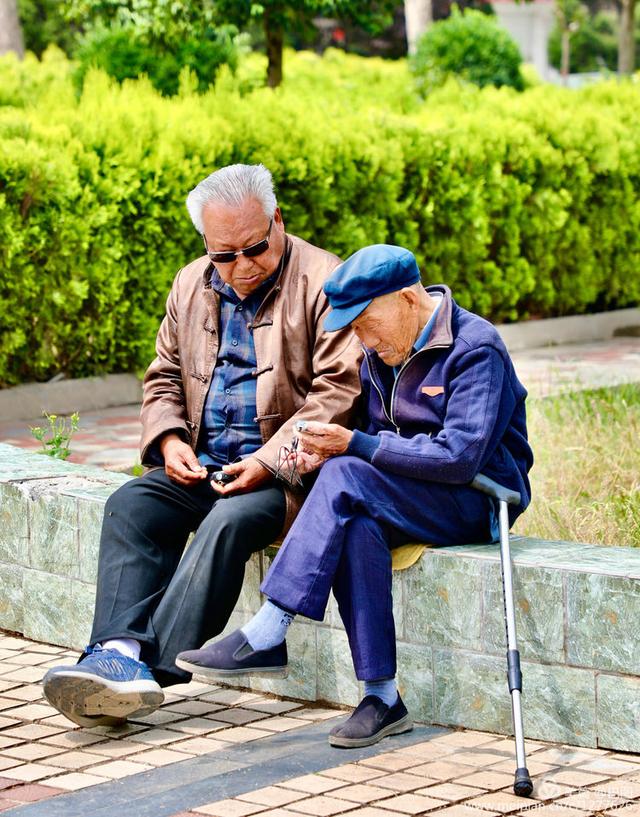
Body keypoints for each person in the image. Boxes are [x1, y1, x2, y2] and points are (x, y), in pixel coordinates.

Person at [176, 243, 534, 748]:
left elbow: (460, 456)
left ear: (407, 298)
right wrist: (318, 457)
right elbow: (373, 441)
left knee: (346, 474)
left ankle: (270, 630)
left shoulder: (476, 347)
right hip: (410, 493)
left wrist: (353, 447)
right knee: (354, 520)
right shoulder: (379, 352)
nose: (361, 338)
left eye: (366, 322)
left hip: (477, 497)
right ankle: (382, 696)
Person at [42, 164, 362, 727]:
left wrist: (266, 463)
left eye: (254, 248)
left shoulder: (324, 281)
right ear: (205, 245)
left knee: (227, 524)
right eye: (223, 254)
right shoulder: (190, 282)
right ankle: (118, 653)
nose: (240, 266)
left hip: (288, 478)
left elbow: (337, 392)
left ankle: (143, 669)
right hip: (201, 465)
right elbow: (163, 375)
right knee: (131, 506)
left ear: (278, 220)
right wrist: (167, 441)